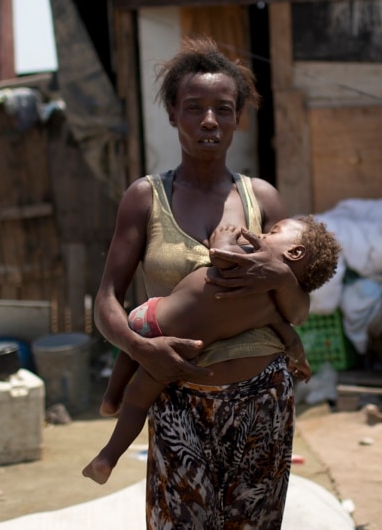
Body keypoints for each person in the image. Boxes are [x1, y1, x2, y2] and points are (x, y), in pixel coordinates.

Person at [92, 36, 315, 528]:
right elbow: (105, 300)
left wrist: (280, 275)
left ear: (238, 118)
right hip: (175, 399)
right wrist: (139, 348)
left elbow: (298, 313)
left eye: (223, 108)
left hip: (263, 402)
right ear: (173, 114)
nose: (209, 120)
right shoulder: (144, 198)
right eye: (194, 108)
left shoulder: (264, 200)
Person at [82, 215, 341, 485]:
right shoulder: (275, 308)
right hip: (185, 351)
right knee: (138, 400)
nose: (262, 235)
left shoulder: (244, 262)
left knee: (133, 368)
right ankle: (107, 457)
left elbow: (221, 256)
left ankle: (111, 402)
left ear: (294, 252)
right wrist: (302, 360)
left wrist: (225, 237)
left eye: (273, 232)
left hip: (152, 320)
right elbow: (290, 338)